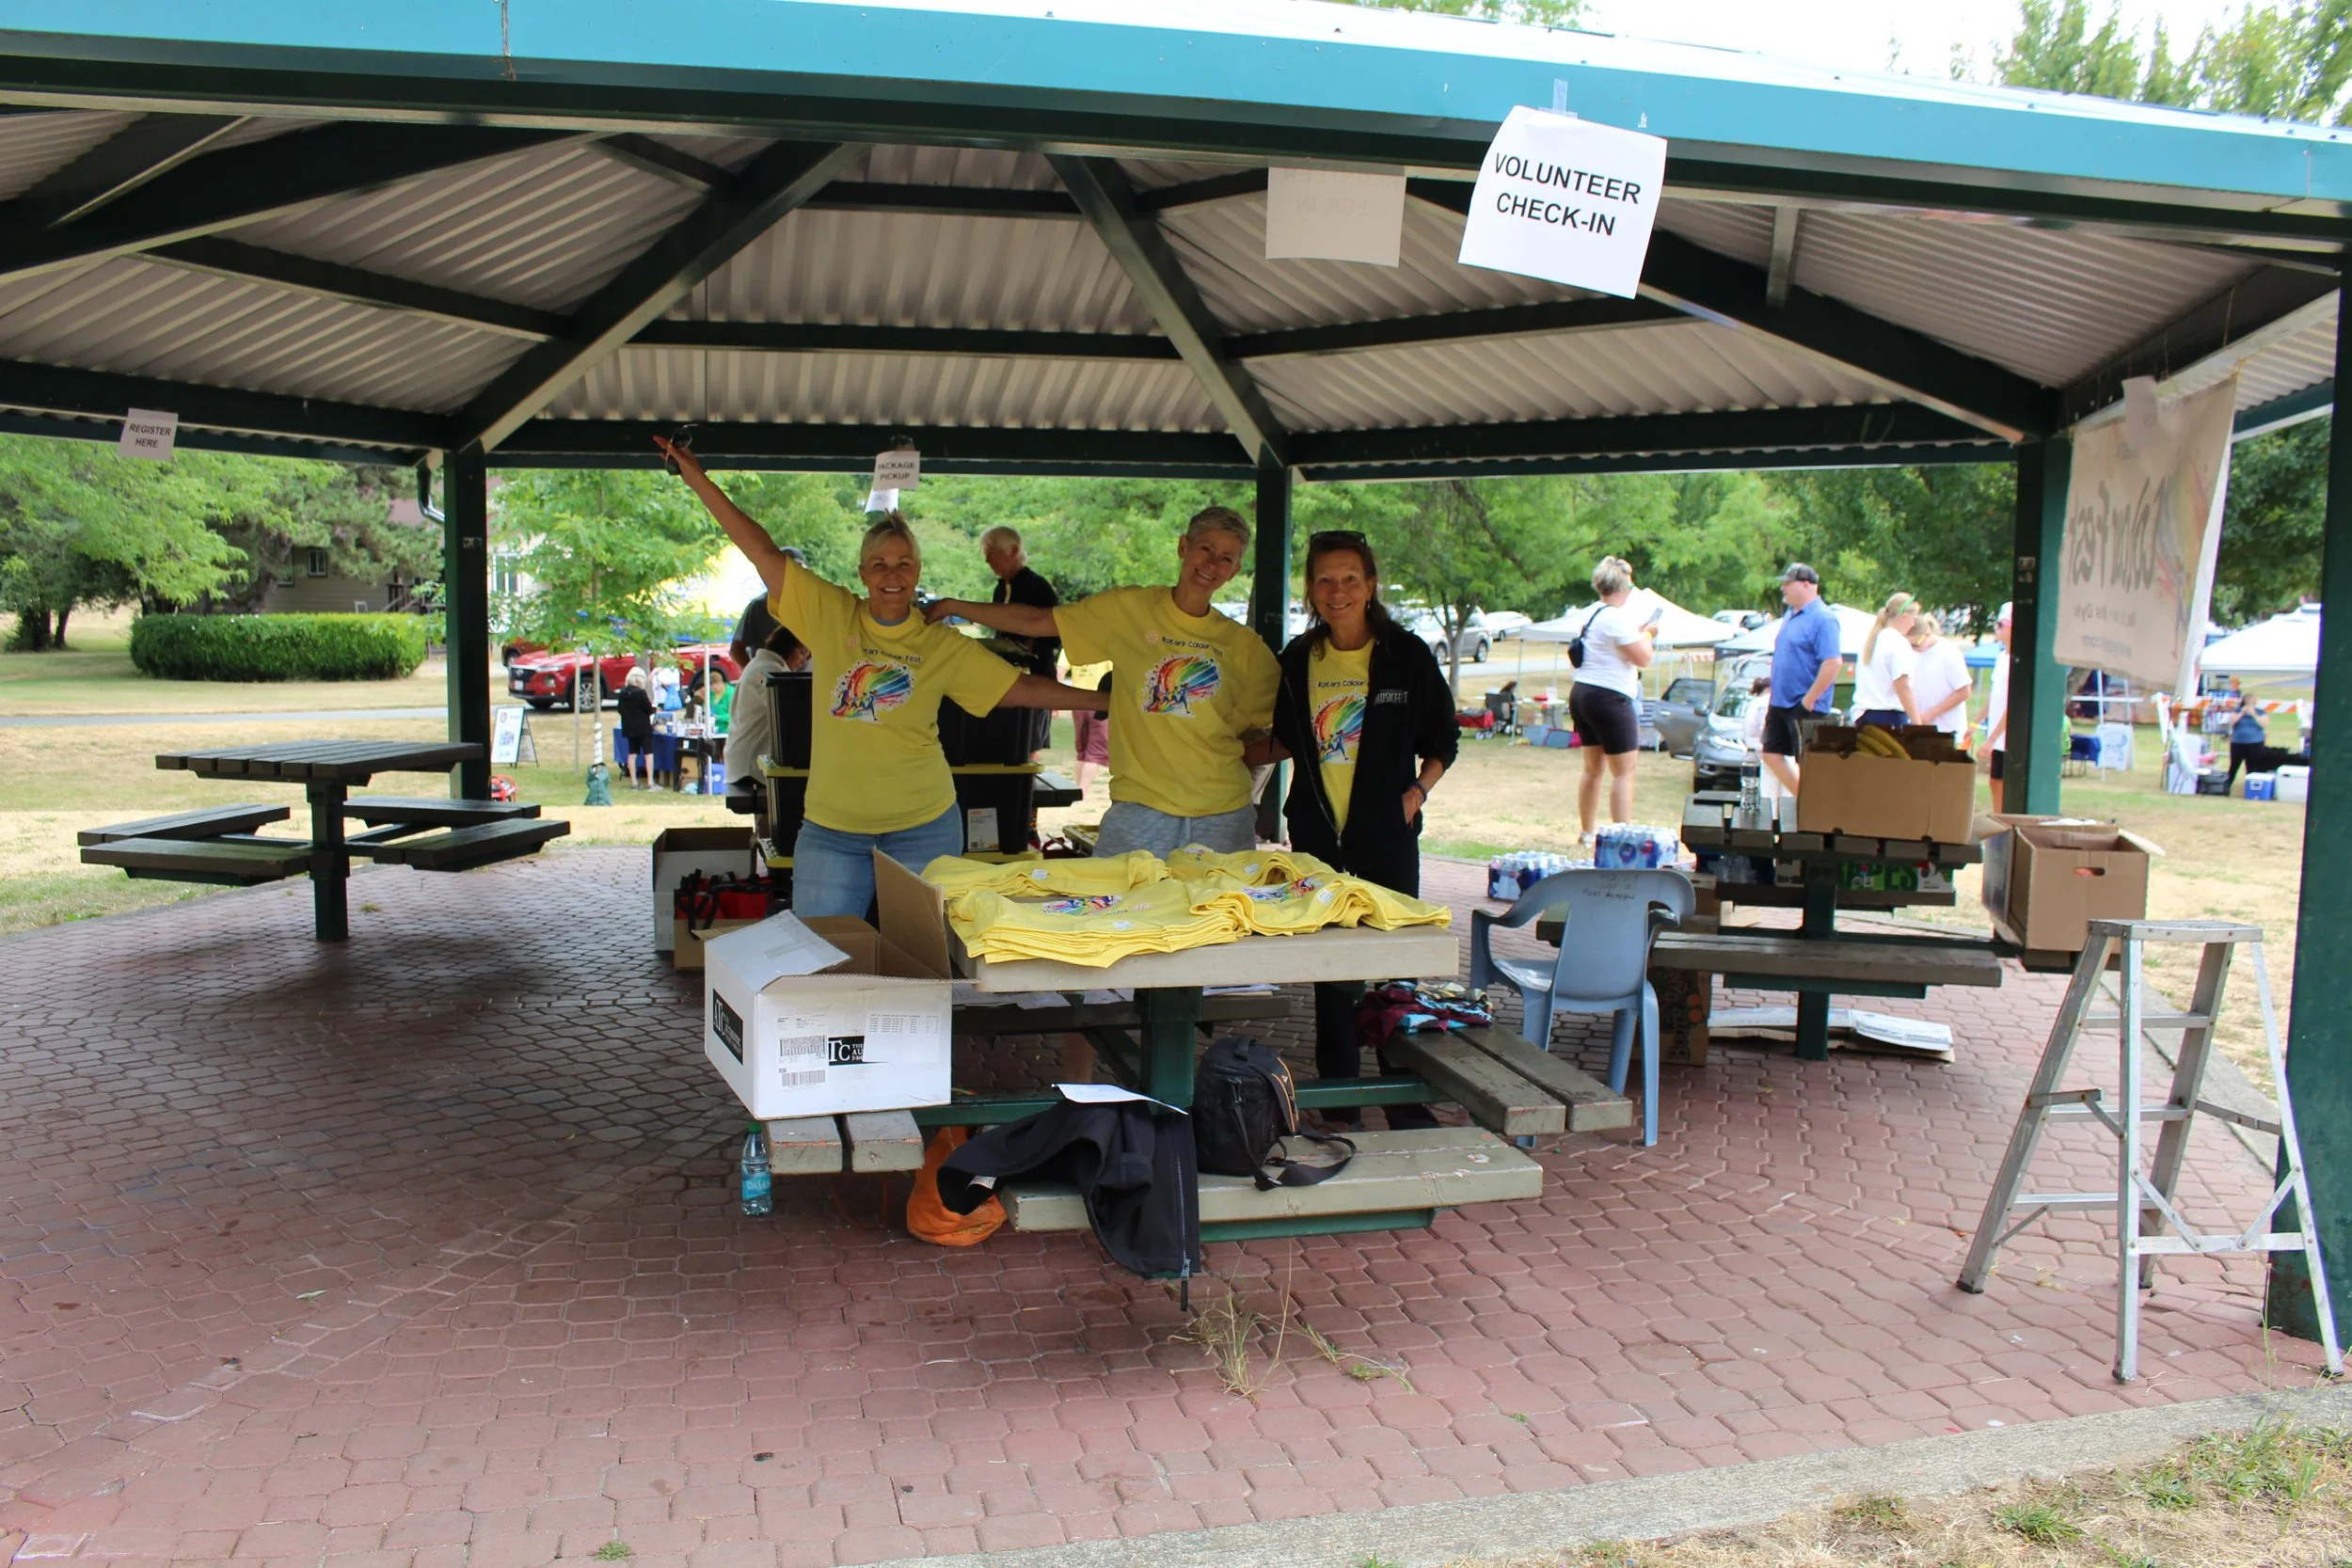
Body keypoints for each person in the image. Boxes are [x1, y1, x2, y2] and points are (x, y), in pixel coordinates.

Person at [656, 436, 1109, 919]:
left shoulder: (939, 643)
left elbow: (1020, 690)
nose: (891, 574)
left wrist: (1101, 703)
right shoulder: (830, 614)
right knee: (823, 960)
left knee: (921, 965)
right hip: (833, 830)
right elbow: (760, 550)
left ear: (917, 572)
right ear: (863, 572)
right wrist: (696, 478)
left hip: (925, 827)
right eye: (879, 564)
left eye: (903, 564)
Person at [927, 506, 1279, 857]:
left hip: (1223, 815)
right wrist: (957, 607)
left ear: (1235, 570)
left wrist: (1236, 759)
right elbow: (1038, 621)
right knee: (1116, 908)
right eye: (1205, 549)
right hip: (1141, 808)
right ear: (1183, 546)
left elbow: (1286, 730)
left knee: (1219, 911)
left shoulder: (1244, 647)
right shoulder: (1128, 609)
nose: (1212, 563)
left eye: (1226, 558)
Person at [1263, 531, 1456, 1132]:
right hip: (1321, 835)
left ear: (1371, 585)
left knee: (1397, 964)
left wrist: (1416, 793)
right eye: (1325, 580)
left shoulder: (1406, 654)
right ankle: (1340, 1098)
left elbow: (1444, 740)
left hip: (1387, 834)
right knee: (1333, 969)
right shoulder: (1298, 659)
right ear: (1312, 589)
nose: (1338, 591)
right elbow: (1288, 739)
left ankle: (1404, 1096)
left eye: (1351, 578)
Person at [1566, 556, 1657, 840]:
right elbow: (1644, 658)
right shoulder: (1618, 617)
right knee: (1624, 771)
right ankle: (1621, 837)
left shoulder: (1592, 614)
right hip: (1610, 697)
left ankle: (1587, 832)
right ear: (1624, 587)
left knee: (1593, 769)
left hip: (1582, 693)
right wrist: (1650, 635)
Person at [980, 527, 1062, 758]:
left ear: (1014, 550)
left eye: (993, 553)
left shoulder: (1038, 587)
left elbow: (1055, 634)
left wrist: (1028, 646)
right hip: (1004, 678)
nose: (988, 560)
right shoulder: (1000, 589)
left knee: (1027, 742)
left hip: (1035, 676)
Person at [1761, 563, 1842, 794]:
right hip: (1780, 701)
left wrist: (1808, 701)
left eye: (1788, 583)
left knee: (1806, 762)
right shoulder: (1790, 615)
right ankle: (1803, 799)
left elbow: (1833, 662)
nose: (1783, 588)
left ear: (1807, 585)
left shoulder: (1823, 619)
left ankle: (1813, 808)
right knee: (1770, 753)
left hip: (1807, 705)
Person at [1852, 591, 1921, 729]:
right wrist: (1918, 724)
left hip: (1863, 715)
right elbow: (1902, 686)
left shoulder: (1872, 640)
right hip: (1889, 717)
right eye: (1913, 618)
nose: (1913, 624)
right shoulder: (1898, 642)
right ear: (1904, 616)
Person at [1907, 611, 1972, 741]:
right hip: (1917, 731)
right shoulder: (1910, 654)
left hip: (1946, 730)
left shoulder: (1949, 652)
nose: (1913, 648)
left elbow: (1964, 692)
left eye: (1916, 644)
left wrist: (1932, 713)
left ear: (1928, 633)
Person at [1067, 657, 1112, 795]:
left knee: (1082, 752)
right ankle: (1081, 794)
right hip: (1099, 702)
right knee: (1095, 753)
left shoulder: (1073, 645)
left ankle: (1076, 790)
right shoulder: (1106, 649)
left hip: (1077, 702)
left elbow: (1060, 670)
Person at [1983, 601, 2012, 811]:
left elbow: (2013, 703)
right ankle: (1999, 826)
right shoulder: (2001, 657)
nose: (1997, 629)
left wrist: (1992, 739)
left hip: (2007, 738)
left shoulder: (2016, 662)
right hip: (1998, 738)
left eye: (2001, 624)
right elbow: (1995, 697)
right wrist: (1975, 725)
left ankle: (2004, 828)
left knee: (2002, 784)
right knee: (1995, 783)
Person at [616, 667, 657, 790]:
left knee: (632, 754)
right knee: (648, 753)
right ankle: (650, 782)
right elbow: (649, 710)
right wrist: (655, 709)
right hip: (643, 727)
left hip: (629, 727)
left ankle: (634, 782)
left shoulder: (623, 693)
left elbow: (620, 709)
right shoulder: (640, 693)